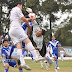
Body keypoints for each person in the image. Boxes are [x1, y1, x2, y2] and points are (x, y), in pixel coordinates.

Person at [9, 2, 44, 69]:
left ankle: (22, 62)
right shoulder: (17, 9)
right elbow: (23, 19)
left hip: (11, 30)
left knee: (19, 46)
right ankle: (36, 57)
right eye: (21, 7)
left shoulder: (12, 11)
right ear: (19, 5)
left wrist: (28, 19)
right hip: (17, 28)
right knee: (28, 41)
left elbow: (20, 20)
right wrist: (28, 22)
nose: (22, 9)